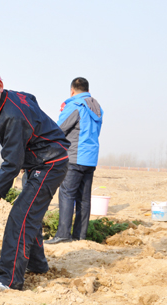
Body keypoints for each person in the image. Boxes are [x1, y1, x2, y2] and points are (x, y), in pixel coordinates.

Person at [0, 62, 70, 291]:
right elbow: (30, 98)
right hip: (39, 161)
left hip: (49, 163)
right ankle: (37, 265)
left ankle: (9, 279)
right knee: (29, 213)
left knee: (20, 216)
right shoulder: (3, 103)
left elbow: (11, 162)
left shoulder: (11, 115)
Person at [45, 77, 103, 244]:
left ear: (72, 91)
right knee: (84, 199)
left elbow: (58, 130)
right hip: (90, 159)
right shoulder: (97, 108)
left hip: (74, 157)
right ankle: (80, 236)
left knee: (66, 194)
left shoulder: (76, 105)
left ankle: (63, 235)